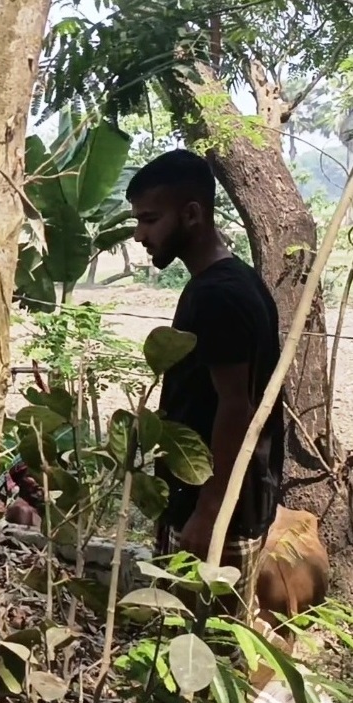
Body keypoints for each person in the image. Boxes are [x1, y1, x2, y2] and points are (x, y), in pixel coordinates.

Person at [126, 148, 283, 620]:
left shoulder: (218, 295)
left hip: (219, 510)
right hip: (223, 498)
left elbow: (237, 406)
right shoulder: (235, 281)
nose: (140, 235)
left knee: (204, 646)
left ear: (192, 214)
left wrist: (208, 511)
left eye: (151, 219)